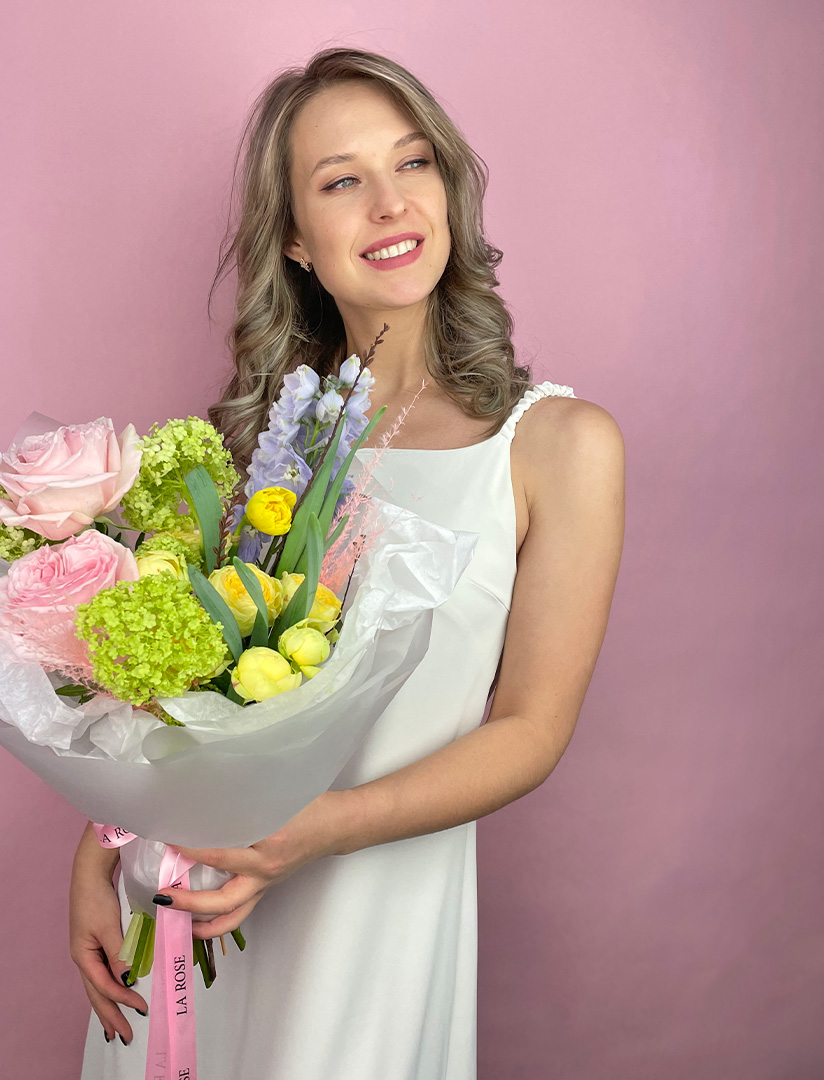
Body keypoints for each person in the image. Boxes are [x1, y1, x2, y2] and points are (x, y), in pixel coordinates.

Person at [72, 46, 624, 1079]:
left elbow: (532, 730)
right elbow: (177, 691)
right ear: (293, 237)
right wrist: (100, 856)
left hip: (376, 927)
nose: (389, 203)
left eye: (413, 163)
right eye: (341, 181)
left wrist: (315, 831)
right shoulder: (260, 443)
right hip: (193, 914)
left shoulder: (558, 445)